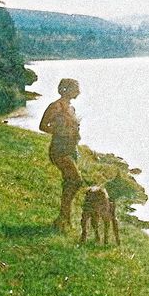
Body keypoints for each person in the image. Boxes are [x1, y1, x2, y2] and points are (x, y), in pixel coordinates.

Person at [39, 78, 84, 231]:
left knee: (68, 183)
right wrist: (60, 131)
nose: (79, 92)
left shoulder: (72, 108)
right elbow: (43, 126)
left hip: (72, 148)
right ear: (66, 89)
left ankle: (64, 219)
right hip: (60, 148)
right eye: (76, 88)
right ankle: (63, 216)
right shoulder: (56, 106)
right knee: (77, 181)